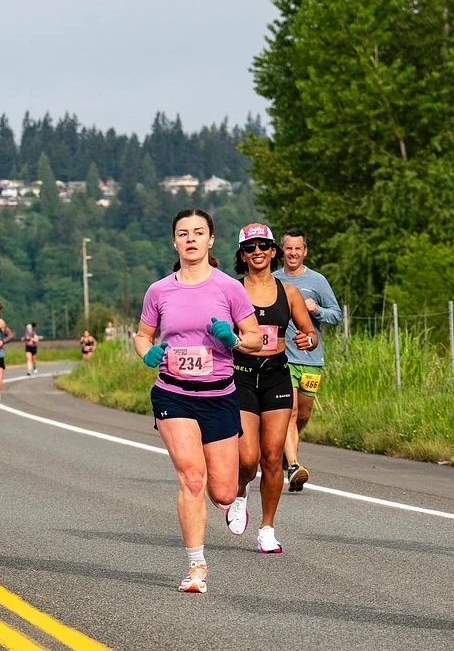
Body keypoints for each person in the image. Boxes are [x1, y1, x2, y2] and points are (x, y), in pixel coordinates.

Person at [135, 208, 263, 592]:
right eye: (183, 233)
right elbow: (143, 334)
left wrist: (234, 340)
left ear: (211, 241)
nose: (190, 238)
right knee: (192, 477)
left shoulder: (229, 288)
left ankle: (238, 495)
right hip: (173, 393)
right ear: (174, 241)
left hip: (220, 394)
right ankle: (196, 567)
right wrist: (147, 353)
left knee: (222, 490)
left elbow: (255, 337)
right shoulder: (159, 290)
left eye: (198, 232)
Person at [225, 223, 319, 554]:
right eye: (250, 248)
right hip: (241, 374)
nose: (258, 252)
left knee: (272, 457)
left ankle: (267, 527)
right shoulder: (231, 291)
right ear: (242, 255)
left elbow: (311, 334)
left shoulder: (289, 292)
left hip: (277, 374)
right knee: (248, 458)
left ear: (273, 250)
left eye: (264, 245)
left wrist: (307, 339)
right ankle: (240, 491)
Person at [274, 228, 341, 491]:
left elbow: (336, 315)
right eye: (288, 248)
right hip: (282, 358)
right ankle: (293, 466)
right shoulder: (272, 280)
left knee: (303, 414)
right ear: (282, 251)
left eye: (297, 248)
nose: (292, 253)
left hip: (312, 359)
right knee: (288, 413)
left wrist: (317, 310)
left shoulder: (318, 281)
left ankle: (285, 450)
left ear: (305, 251)